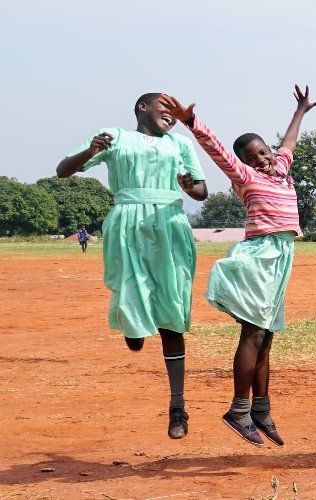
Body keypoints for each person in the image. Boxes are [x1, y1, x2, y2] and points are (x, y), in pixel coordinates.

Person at [166, 87, 314, 447]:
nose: (261, 158)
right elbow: (216, 150)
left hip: (281, 257)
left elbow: (289, 144)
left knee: (266, 336)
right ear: (243, 164)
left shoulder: (279, 168)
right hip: (259, 256)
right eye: (252, 156)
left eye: (263, 151)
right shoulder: (245, 178)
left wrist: (300, 111)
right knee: (253, 333)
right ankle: (239, 409)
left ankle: (261, 410)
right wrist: (191, 121)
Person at [55, 92, 208, 439]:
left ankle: (178, 408)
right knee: (129, 295)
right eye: (163, 107)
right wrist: (90, 152)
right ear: (143, 107)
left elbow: (201, 191)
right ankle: (134, 326)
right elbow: (63, 170)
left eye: (173, 111)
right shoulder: (115, 137)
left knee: (172, 314)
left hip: (169, 223)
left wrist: (188, 186)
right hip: (127, 224)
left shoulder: (180, 144)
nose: (170, 114)